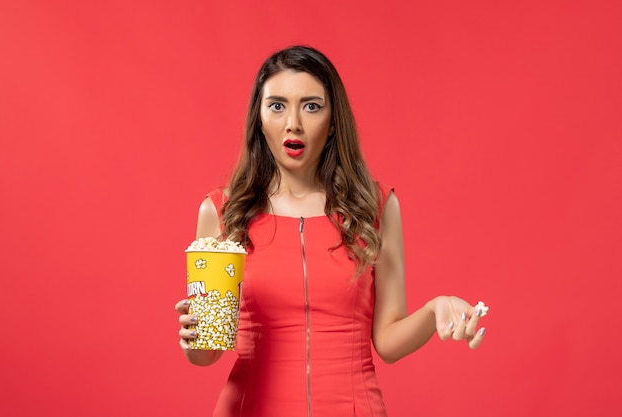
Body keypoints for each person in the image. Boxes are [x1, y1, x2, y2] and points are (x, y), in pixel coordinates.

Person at [175, 45, 487, 416]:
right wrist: (193, 338)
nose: (293, 122)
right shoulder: (224, 212)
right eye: (277, 105)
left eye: (311, 106)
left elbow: (387, 341)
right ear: (258, 118)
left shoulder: (374, 207)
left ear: (333, 119)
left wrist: (435, 310)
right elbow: (206, 353)